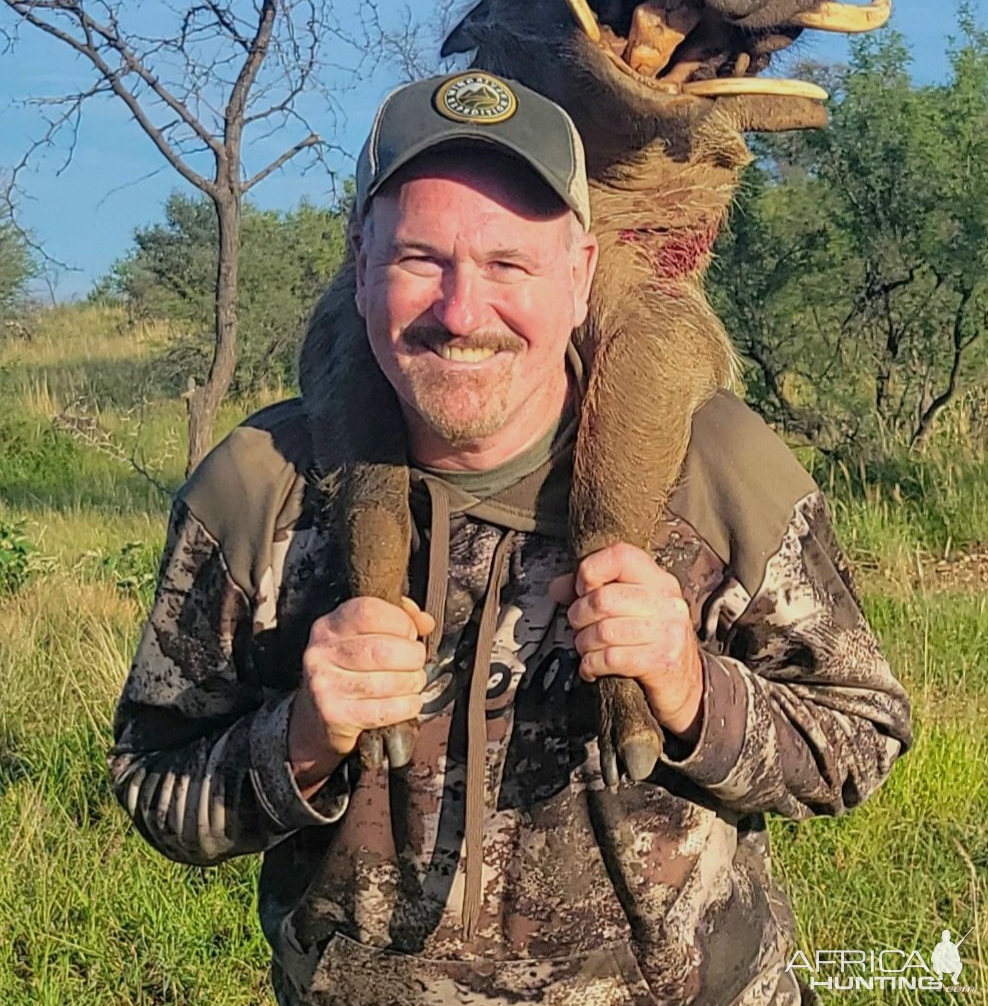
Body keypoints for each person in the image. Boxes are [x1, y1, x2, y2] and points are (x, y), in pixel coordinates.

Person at [110, 71, 912, 1006]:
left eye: (509, 266)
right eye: (419, 259)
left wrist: (694, 689)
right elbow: (153, 782)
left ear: (580, 277)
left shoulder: (713, 466)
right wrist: (299, 740)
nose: (460, 310)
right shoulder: (261, 486)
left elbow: (861, 738)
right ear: (359, 263)